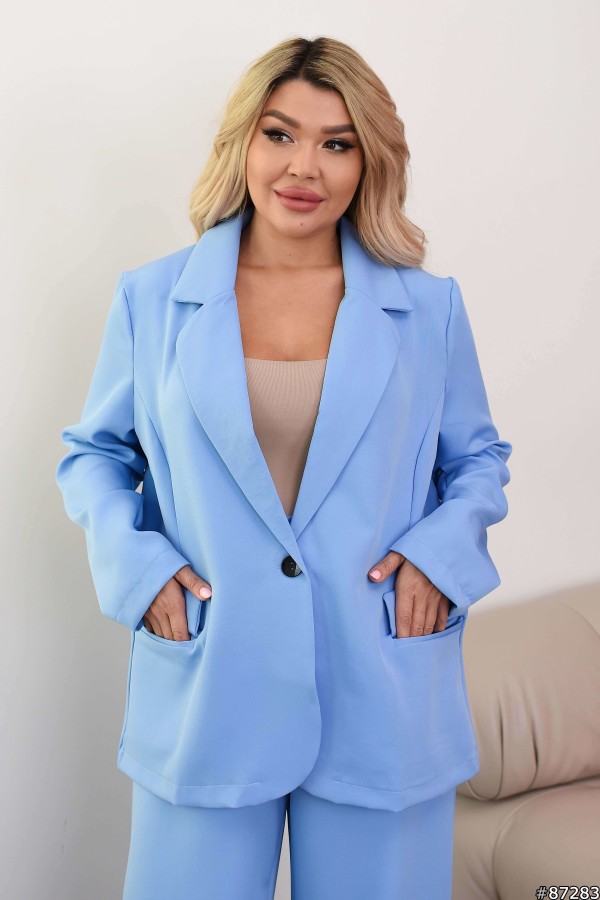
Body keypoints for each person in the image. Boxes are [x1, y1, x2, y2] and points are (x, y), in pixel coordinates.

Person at [55, 35, 512, 900]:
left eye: (337, 143)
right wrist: (141, 571)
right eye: (280, 134)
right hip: (210, 678)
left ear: (369, 162)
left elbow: (478, 459)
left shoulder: (428, 309)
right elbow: (93, 456)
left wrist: (439, 557)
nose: (305, 166)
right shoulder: (153, 300)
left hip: (380, 680)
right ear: (242, 143)